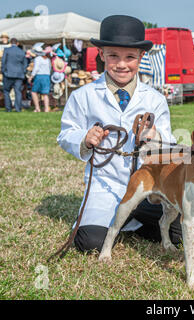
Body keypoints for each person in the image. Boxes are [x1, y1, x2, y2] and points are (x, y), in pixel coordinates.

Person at [57, 15, 185, 253]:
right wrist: (84, 139)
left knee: (178, 235)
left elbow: (168, 145)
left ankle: (132, 220)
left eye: (130, 57)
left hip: (148, 188)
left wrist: (155, 136)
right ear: (102, 54)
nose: (122, 64)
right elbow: (66, 134)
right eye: (113, 56)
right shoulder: (83, 95)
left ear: (141, 58)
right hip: (105, 186)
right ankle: (123, 219)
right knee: (89, 244)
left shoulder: (154, 99)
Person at [1, 38, 27, 112]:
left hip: (8, 74)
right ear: (17, 43)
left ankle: (8, 108)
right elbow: (25, 64)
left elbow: (3, 62)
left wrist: (3, 72)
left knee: (6, 91)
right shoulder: (22, 52)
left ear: (10, 43)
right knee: (18, 92)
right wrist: (23, 72)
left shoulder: (6, 50)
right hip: (19, 75)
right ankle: (18, 108)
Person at [28, 44, 52, 112]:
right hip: (47, 76)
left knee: (34, 92)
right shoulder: (48, 59)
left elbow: (36, 69)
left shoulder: (37, 59)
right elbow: (50, 68)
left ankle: (37, 108)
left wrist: (31, 76)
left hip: (39, 76)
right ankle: (46, 108)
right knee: (45, 94)